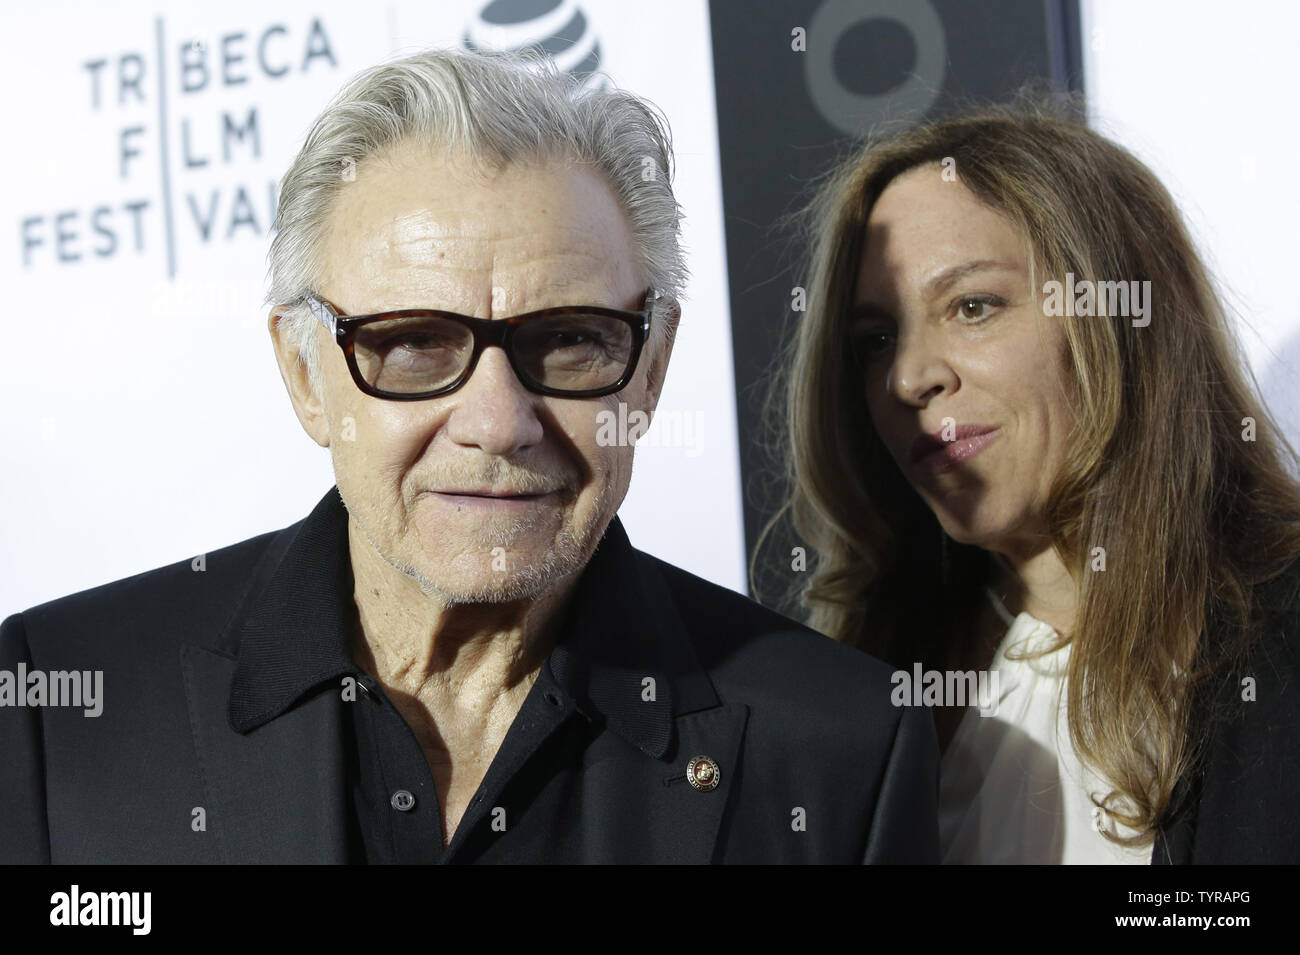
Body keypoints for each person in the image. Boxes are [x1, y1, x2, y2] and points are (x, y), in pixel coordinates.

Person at [0, 47, 939, 864]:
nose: (498, 420)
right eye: (412, 343)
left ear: (650, 369)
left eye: (570, 340)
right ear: (302, 373)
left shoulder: (840, 745)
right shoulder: (59, 707)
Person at [763, 97, 1300, 863]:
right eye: (876, 340)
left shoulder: (1278, 648)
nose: (910, 376)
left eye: (973, 306)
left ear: (1120, 316)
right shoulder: (860, 688)